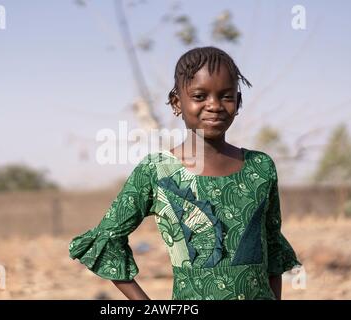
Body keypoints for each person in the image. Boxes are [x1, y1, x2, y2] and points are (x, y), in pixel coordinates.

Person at [69, 46, 301, 300]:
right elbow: (105, 239)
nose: (214, 106)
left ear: (238, 101)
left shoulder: (260, 167)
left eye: (225, 96)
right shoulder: (157, 171)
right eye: (200, 96)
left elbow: (273, 251)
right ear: (177, 103)